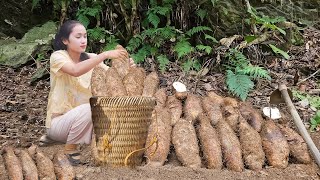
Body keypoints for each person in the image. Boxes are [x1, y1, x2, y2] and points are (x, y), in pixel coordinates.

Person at [40, 20, 134, 165]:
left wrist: (127, 68)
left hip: (88, 123)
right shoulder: (58, 57)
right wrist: (104, 55)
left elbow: (113, 77)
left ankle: (65, 139)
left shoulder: (91, 57)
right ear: (65, 40)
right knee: (91, 107)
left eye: (85, 36)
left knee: (114, 123)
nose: (83, 40)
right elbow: (75, 71)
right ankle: (70, 150)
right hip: (59, 122)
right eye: (78, 37)